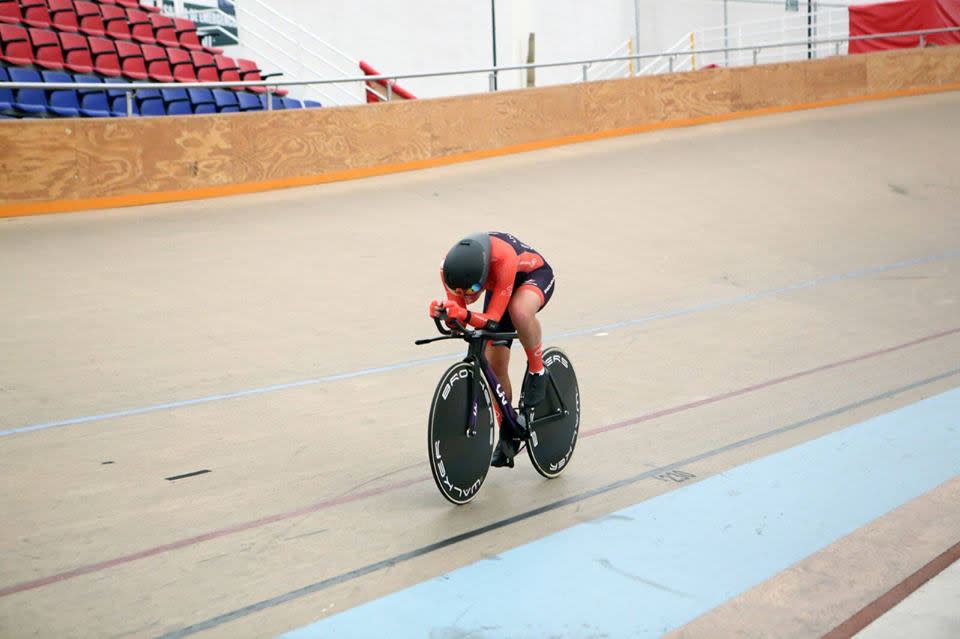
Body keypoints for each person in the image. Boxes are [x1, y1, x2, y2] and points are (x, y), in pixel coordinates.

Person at [428, 232, 555, 467]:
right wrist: (446, 313)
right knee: (494, 365)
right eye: (463, 291)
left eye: (475, 288)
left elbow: (492, 319)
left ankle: (538, 371)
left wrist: (463, 312)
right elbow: (461, 318)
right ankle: (508, 430)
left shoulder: (503, 257)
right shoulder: (449, 268)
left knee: (519, 311)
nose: (470, 295)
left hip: (531, 276)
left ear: (483, 275)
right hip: (498, 284)